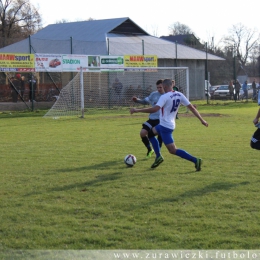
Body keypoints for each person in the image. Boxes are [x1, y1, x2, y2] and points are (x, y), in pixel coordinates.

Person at [130, 78, 208, 170]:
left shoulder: (165, 97)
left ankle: (195, 160)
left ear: (165, 86)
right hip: (167, 124)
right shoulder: (179, 94)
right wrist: (202, 120)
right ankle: (158, 156)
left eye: (162, 87)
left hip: (165, 127)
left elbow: (155, 109)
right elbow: (192, 108)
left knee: (173, 150)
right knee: (150, 134)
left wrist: (137, 110)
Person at [132, 79, 164, 158]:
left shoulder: (167, 95)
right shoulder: (153, 94)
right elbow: (145, 101)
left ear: (165, 86)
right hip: (152, 118)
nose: (159, 89)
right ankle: (150, 149)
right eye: (158, 87)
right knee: (142, 133)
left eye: (160, 87)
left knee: (160, 135)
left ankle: (158, 154)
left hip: (162, 120)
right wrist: (137, 100)